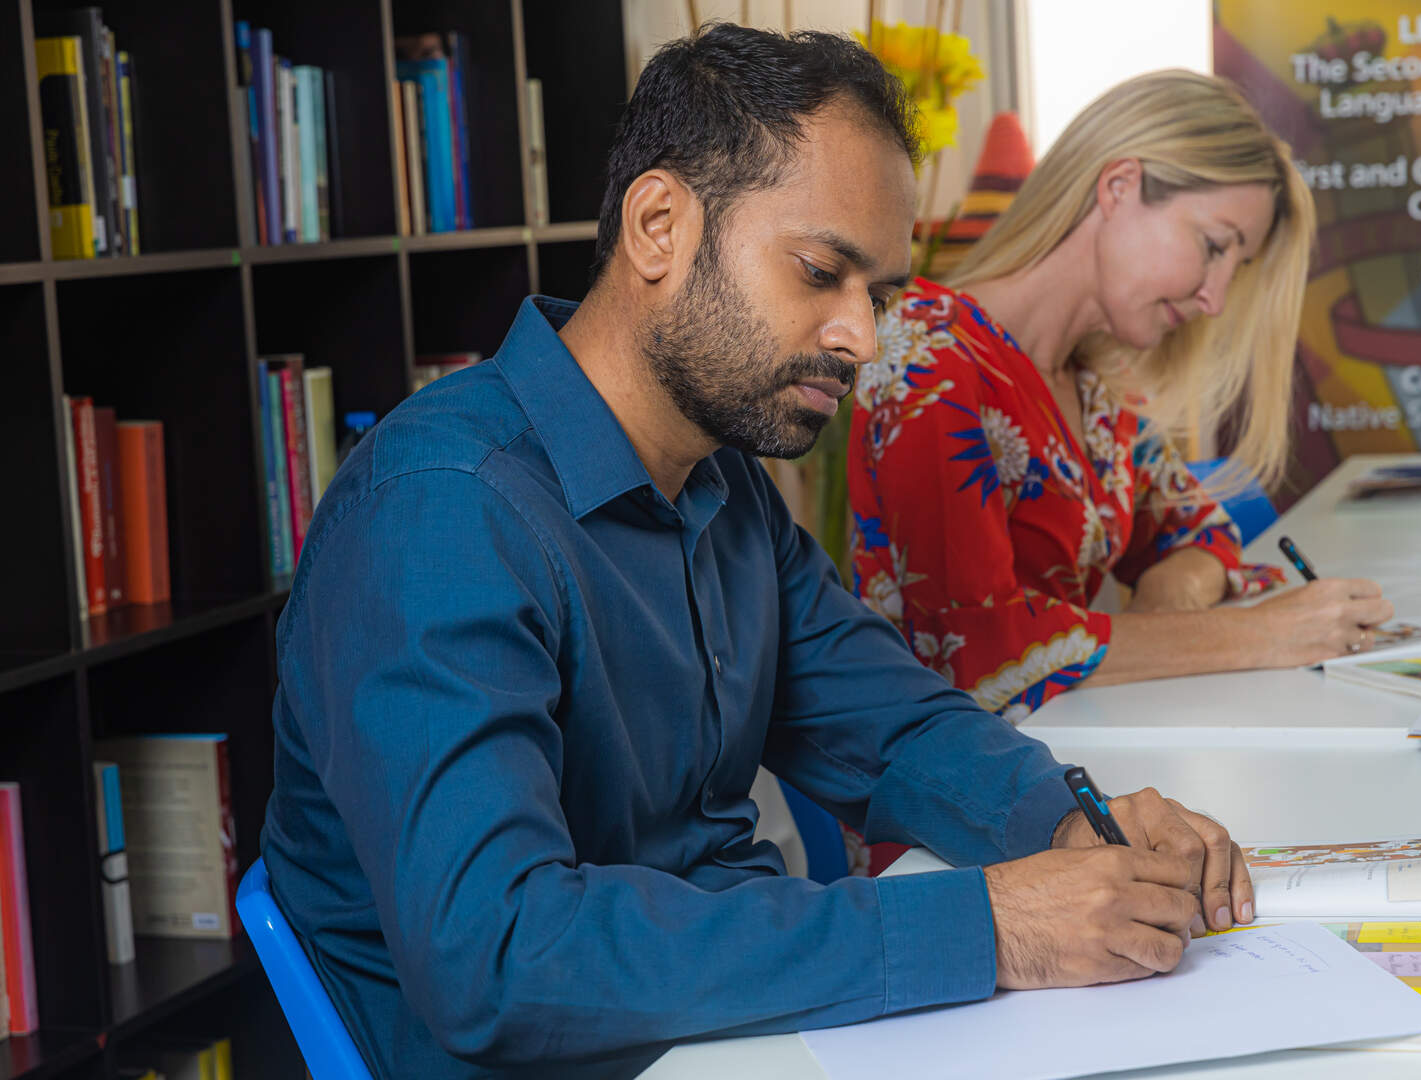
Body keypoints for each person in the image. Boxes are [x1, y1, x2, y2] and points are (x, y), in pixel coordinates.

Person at [262, 27, 1255, 1079]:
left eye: (874, 297)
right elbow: (502, 956)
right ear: (659, 227)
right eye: (822, 272)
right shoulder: (437, 513)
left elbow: (891, 726)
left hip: (734, 1035)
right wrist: (988, 927)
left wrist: (1069, 827)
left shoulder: (721, 480)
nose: (862, 340)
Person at [848, 69, 1394, 721]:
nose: (1214, 299)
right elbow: (979, 654)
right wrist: (1261, 634)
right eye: (1213, 246)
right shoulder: (929, 355)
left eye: (1233, 267)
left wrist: (1167, 610)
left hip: (1074, 762)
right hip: (954, 803)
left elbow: (1200, 533)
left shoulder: (1097, 382)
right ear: (1119, 186)